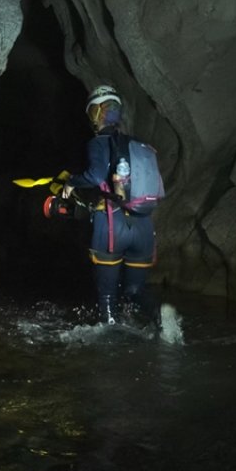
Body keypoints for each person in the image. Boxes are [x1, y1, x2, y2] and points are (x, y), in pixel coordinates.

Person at [62, 85, 161, 328]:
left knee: (107, 297)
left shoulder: (98, 143)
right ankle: (162, 321)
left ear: (94, 114)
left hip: (112, 225)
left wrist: (71, 183)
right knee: (135, 291)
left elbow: (96, 176)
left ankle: (110, 347)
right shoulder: (138, 145)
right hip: (144, 226)